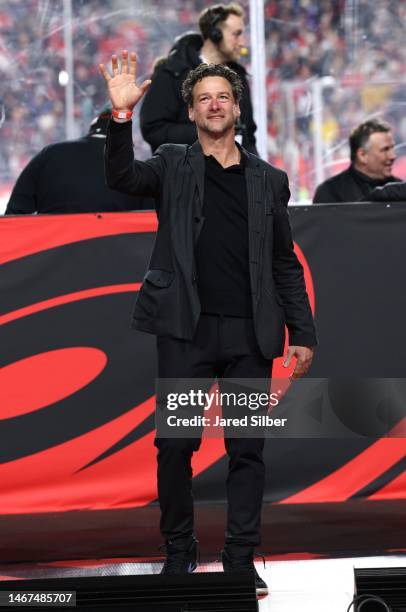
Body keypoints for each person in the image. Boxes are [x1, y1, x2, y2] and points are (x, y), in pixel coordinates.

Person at [99, 50, 317, 595]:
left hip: (250, 335)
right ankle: (179, 551)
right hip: (185, 332)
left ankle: (241, 557)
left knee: (248, 448)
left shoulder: (270, 180)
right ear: (192, 113)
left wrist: (303, 332)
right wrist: (122, 117)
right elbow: (122, 177)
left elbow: (284, 263)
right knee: (175, 445)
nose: (214, 105)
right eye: (203, 99)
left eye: (223, 96)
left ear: (237, 108)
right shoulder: (172, 163)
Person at [139, 3, 257, 154]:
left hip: (232, 174)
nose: (242, 42)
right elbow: (154, 129)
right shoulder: (172, 72)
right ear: (215, 34)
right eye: (236, 34)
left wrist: (261, 174)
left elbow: (249, 137)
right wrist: (208, 133)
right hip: (184, 174)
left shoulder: (239, 77)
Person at [5, 108, 152, 215]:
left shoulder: (50, 155)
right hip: (113, 253)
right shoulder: (134, 170)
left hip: (54, 252)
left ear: (92, 130)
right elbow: (150, 225)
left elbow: (14, 214)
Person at [313, 119, 401, 204]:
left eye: (392, 148)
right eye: (385, 149)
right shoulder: (330, 192)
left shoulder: (399, 190)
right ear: (362, 155)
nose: (393, 156)